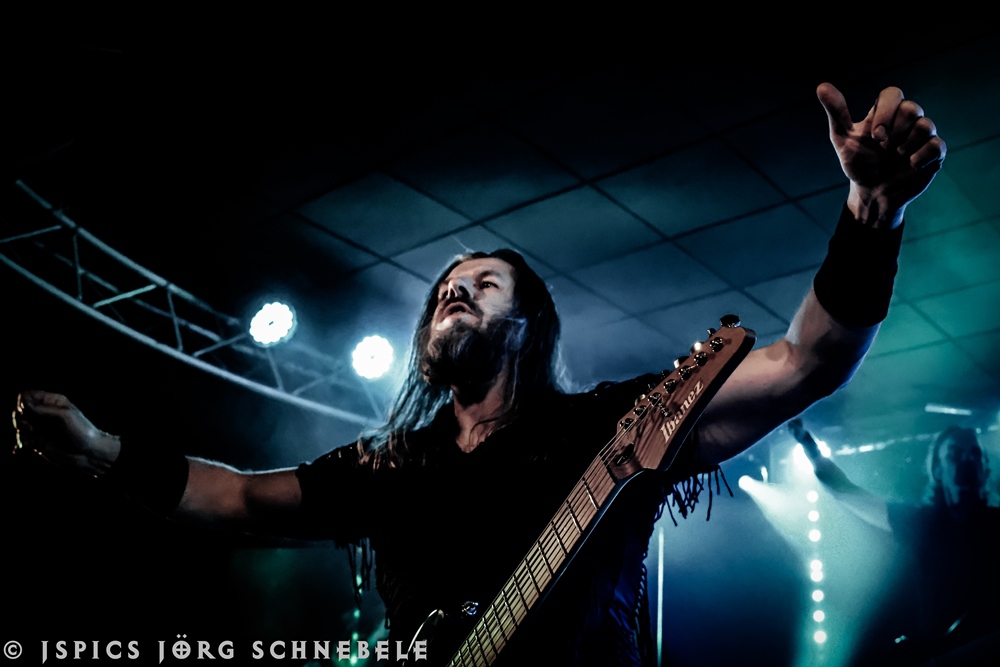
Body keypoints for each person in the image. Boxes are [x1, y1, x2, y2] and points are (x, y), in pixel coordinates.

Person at [13, 82, 946, 666]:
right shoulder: (392, 468)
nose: (454, 291)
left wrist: (871, 214)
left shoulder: (609, 428)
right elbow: (240, 500)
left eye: (482, 284)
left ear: (527, 324)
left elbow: (805, 362)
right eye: (445, 289)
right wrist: (101, 453)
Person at [789, 419, 1000, 663]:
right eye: (954, 454)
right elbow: (845, 491)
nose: (967, 461)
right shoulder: (922, 523)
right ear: (938, 470)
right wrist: (808, 445)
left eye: (975, 453)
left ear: (985, 466)